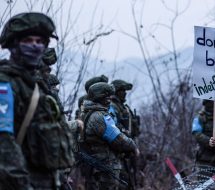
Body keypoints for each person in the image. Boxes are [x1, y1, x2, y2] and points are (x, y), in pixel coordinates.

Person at [0, 12, 74, 189]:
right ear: (13, 44)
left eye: (40, 41)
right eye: (28, 41)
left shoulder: (35, 84)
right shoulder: (5, 84)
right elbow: (3, 141)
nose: (35, 46)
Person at [80, 82, 139, 190]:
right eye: (107, 98)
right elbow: (116, 138)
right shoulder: (99, 116)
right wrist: (132, 146)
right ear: (100, 98)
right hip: (105, 164)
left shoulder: (89, 113)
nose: (109, 101)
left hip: (99, 164)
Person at [110, 79, 141, 190]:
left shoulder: (125, 108)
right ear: (116, 91)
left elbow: (134, 131)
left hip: (129, 151)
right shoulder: (112, 107)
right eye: (122, 90)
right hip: (119, 152)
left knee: (132, 181)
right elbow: (115, 129)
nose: (125, 92)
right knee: (123, 183)